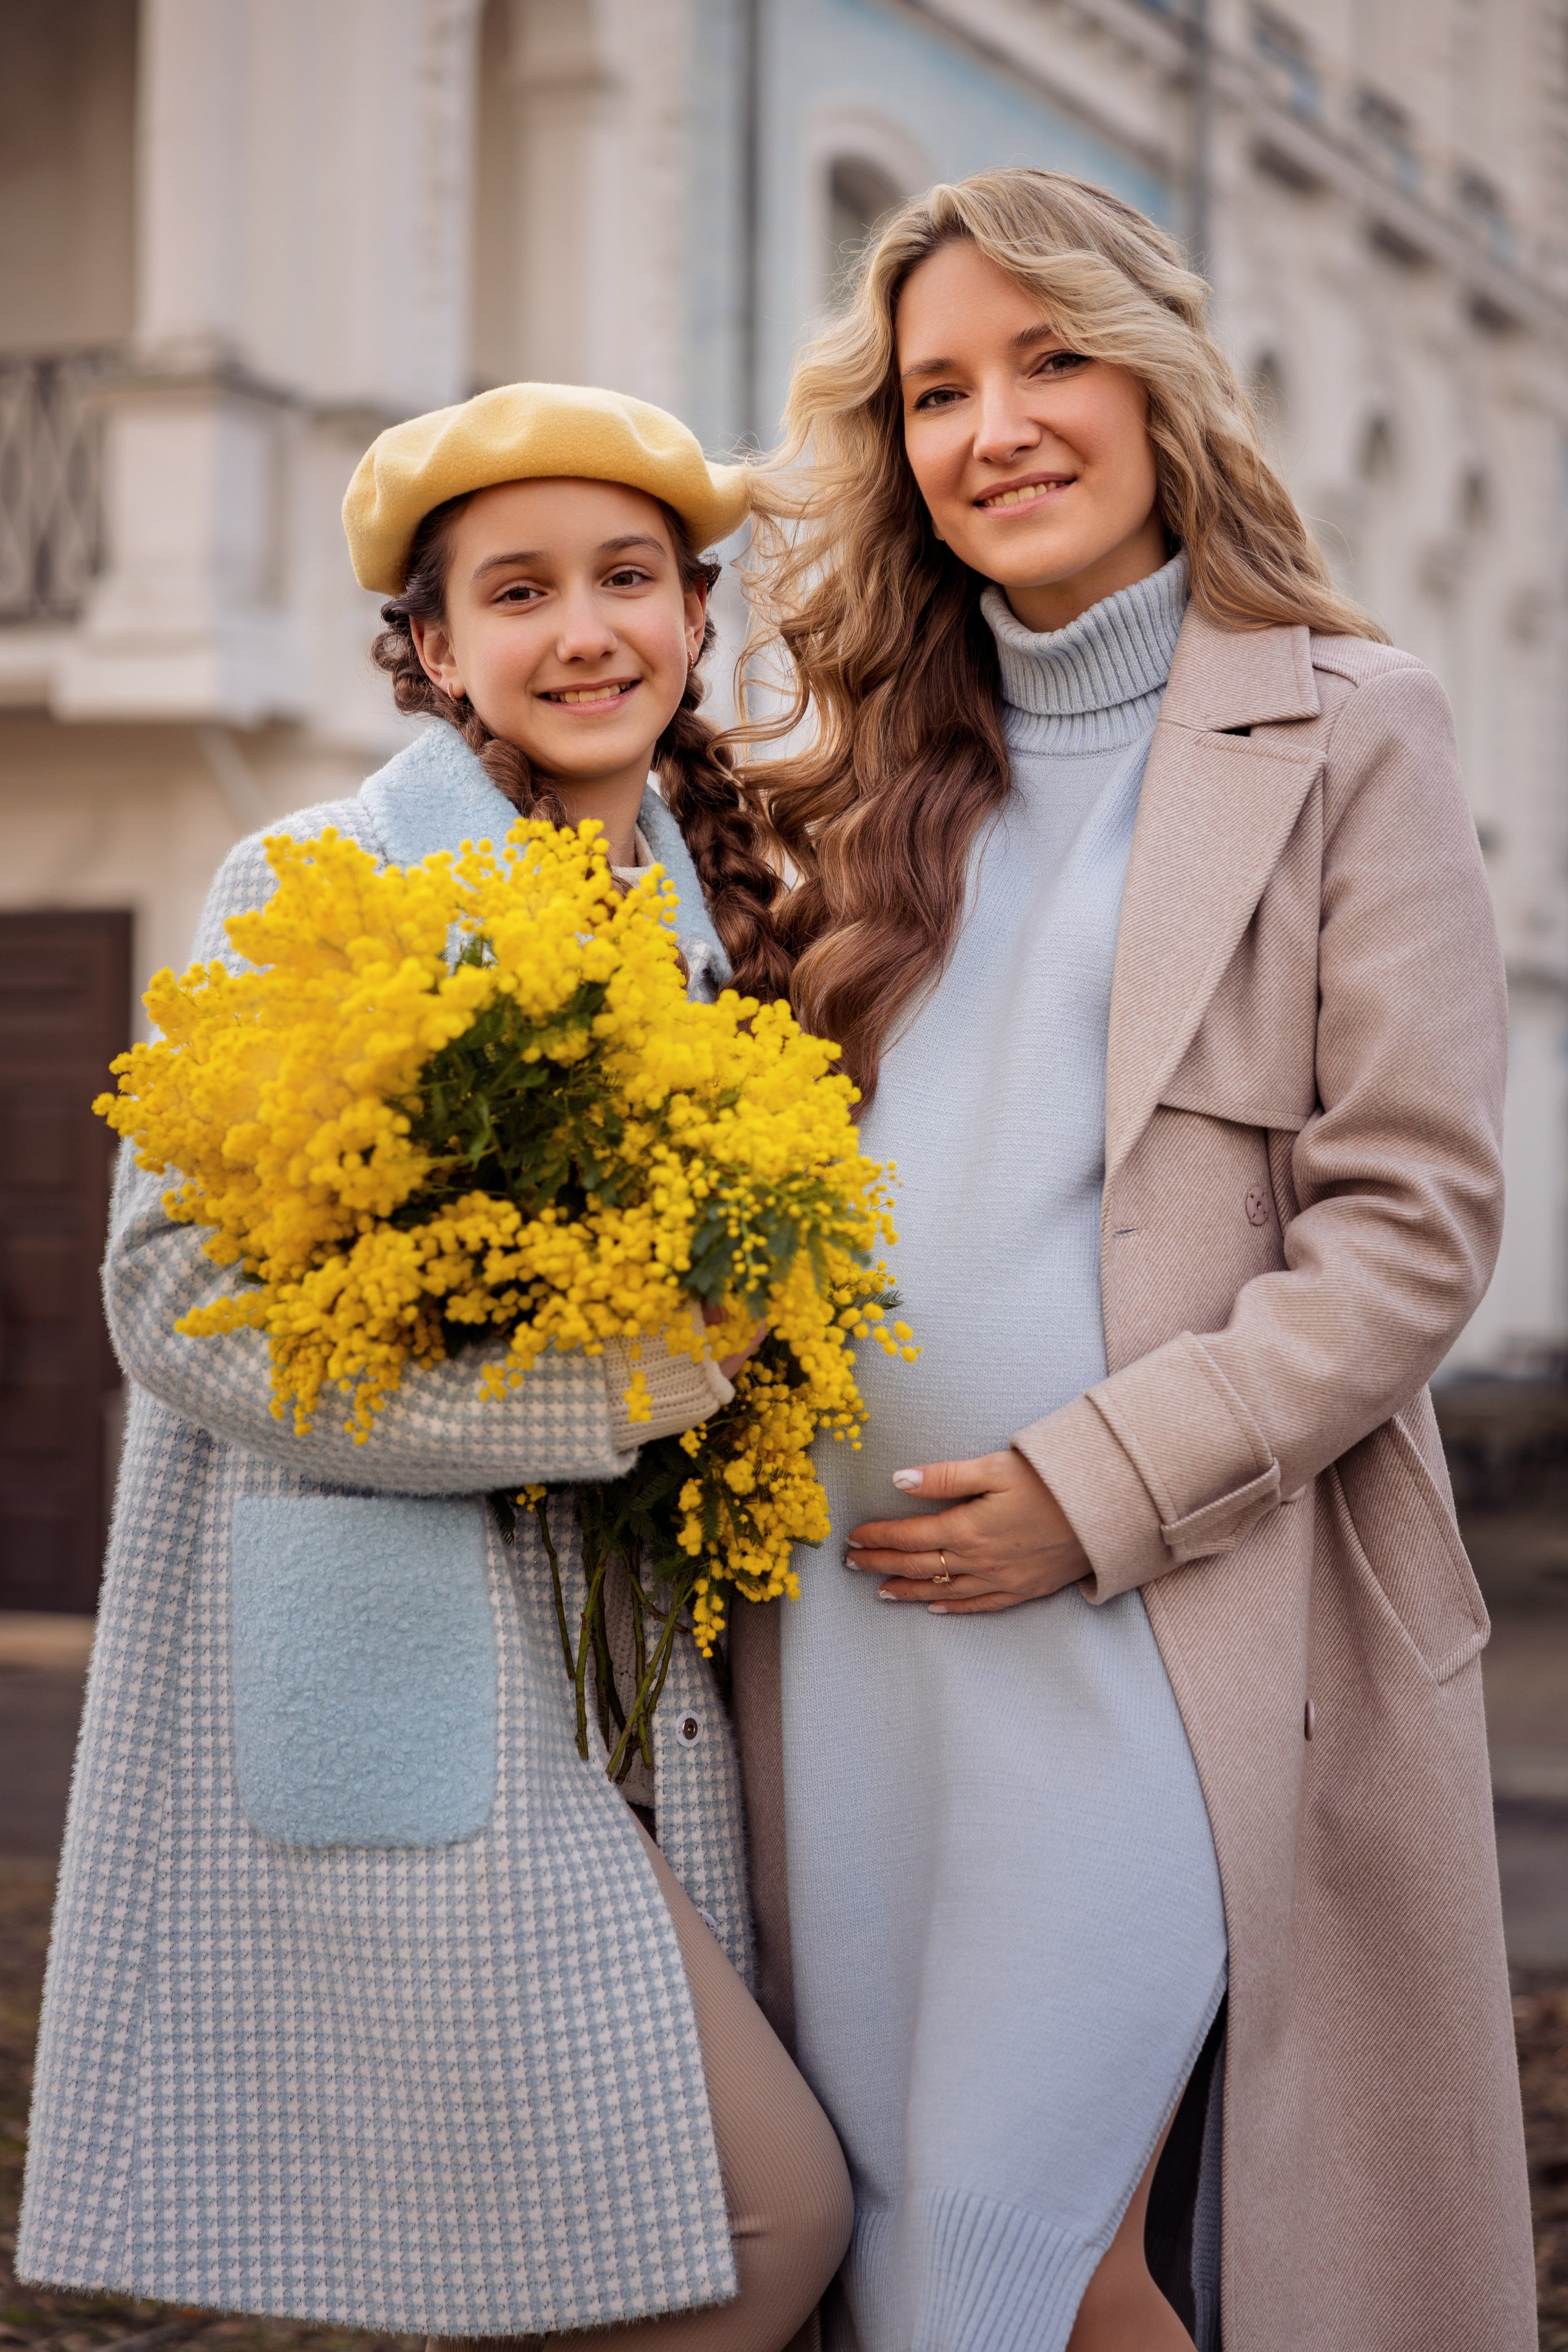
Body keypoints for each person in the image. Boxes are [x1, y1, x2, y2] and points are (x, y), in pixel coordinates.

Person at [731, 170, 1536, 2351]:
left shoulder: (1352, 722)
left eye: (1049, 357)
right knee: (967, 2264)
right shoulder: (859, 778)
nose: (994, 425)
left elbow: (1416, 1224)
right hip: (851, 1633)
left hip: (1164, 1621)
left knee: (996, 2236)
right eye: (935, 391)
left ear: (1158, 377)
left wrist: (1090, 1490)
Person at [18, 385, 850, 2352]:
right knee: (766, 2215)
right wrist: (599, 1398)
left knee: (597, 2264)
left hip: (644, 1698)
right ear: (433, 647)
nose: (586, 631)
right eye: (520, 590)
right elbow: (172, 1304)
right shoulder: (307, 883)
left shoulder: (722, 926)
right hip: (402, 1673)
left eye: (629, 578)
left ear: (695, 611)